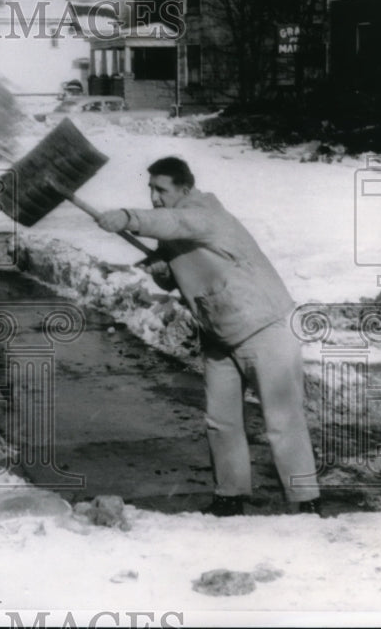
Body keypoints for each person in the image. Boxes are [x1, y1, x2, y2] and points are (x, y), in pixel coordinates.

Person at [95, 156, 321, 517]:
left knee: (281, 419)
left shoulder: (204, 213)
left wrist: (127, 216)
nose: (154, 197)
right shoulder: (176, 230)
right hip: (219, 334)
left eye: (161, 189)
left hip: (264, 326)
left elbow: (175, 222)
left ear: (185, 189)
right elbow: (185, 270)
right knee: (221, 420)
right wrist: (163, 273)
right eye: (150, 189)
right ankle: (229, 497)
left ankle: (304, 501)